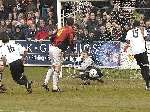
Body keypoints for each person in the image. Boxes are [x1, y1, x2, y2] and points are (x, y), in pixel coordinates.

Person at [42, 17, 75, 92]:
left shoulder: (62, 29)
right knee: (57, 68)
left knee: (53, 66)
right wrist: (73, 48)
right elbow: (71, 41)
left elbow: (53, 36)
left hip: (52, 47)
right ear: (72, 23)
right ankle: (55, 87)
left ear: (66, 23)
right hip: (57, 49)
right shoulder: (70, 30)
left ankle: (45, 82)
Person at [124, 20, 150, 90]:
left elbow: (127, 41)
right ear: (139, 25)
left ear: (133, 25)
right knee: (146, 67)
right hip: (142, 50)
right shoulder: (142, 29)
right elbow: (146, 38)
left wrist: (126, 48)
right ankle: (148, 84)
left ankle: (147, 84)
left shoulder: (129, 32)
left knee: (142, 68)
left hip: (135, 52)